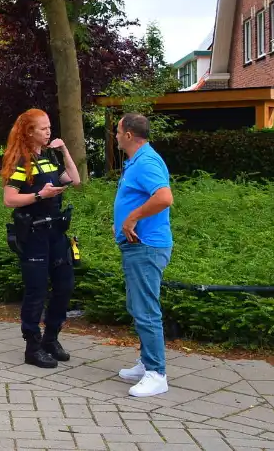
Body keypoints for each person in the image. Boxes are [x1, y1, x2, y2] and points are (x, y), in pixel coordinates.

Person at [1, 109, 81, 368]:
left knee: (64, 285)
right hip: (34, 234)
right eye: (44, 128)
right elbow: (9, 199)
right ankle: (32, 346)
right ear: (29, 132)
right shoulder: (20, 163)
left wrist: (65, 151)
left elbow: (75, 180)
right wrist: (39, 196)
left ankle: (51, 338)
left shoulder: (48, 158)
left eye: (49, 127)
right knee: (36, 291)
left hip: (57, 233)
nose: (49, 131)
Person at [112, 113, 174, 398]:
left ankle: (156, 374)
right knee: (138, 307)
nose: (114, 135)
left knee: (146, 310)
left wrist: (131, 218)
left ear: (128, 135)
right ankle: (147, 362)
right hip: (140, 246)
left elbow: (164, 197)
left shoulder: (146, 161)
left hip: (146, 246)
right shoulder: (139, 161)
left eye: (117, 131)